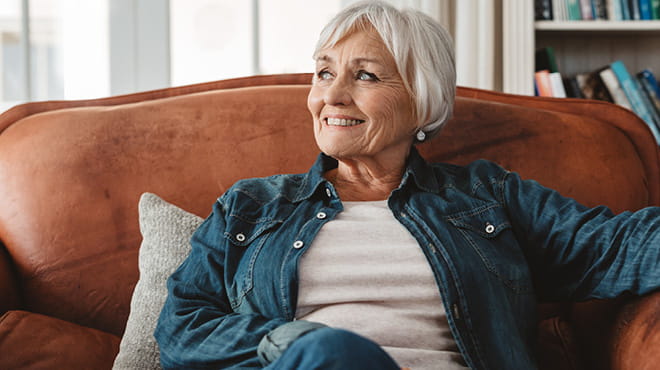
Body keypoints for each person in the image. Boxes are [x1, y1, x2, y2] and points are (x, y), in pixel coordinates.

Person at [154, 1, 660, 369]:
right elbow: (181, 330)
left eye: (366, 76)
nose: (332, 95)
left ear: (422, 101)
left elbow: (618, 246)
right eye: (324, 73)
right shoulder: (251, 207)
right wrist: (292, 342)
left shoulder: (486, 197)